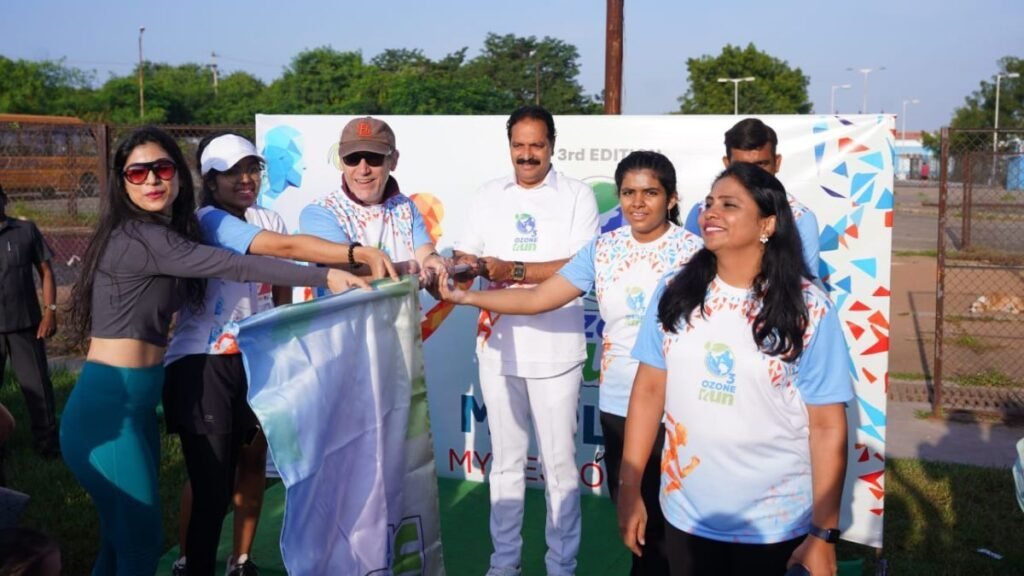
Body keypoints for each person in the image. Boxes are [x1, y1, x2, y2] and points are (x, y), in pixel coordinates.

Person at [60, 126, 366, 576]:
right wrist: (327, 275)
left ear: (179, 177)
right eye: (137, 172)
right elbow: (234, 263)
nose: (152, 181)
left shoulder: (167, 231)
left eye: (162, 169)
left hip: (133, 406)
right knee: (141, 545)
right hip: (108, 410)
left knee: (119, 542)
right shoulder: (141, 237)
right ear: (121, 181)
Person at [440, 151, 701, 574]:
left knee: (682, 530)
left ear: (671, 199)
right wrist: (467, 297)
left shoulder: (697, 255)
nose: (638, 202)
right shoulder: (603, 248)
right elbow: (540, 297)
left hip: (681, 407)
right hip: (623, 405)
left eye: (650, 192)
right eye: (629, 193)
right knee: (639, 529)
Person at [164, 132, 397, 576]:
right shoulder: (208, 220)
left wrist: (287, 328)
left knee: (253, 461)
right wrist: (349, 255)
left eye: (251, 169)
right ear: (210, 182)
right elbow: (282, 251)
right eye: (232, 172)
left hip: (254, 356)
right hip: (205, 361)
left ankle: (242, 560)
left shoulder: (265, 215)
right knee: (210, 477)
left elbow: (284, 275)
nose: (245, 179)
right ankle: (189, 561)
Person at [618, 162, 853, 576]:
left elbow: (827, 426)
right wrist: (631, 486)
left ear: (767, 223)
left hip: (773, 524)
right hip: (685, 514)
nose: (710, 213)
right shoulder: (675, 291)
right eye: (709, 203)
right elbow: (650, 390)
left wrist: (824, 533)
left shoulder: (808, 307)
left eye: (729, 205)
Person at [450, 105, 599, 576]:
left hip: (557, 349)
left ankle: (562, 565)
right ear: (509, 146)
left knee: (558, 468)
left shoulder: (577, 196)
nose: (528, 155)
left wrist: (511, 271)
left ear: (552, 144)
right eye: (519, 146)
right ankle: (505, 563)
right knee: (507, 464)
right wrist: (459, 267)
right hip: (497, 346)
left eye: (537, 145)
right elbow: (466, 256)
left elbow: (580, 266)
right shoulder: (488, 195)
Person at [300, 116, 447, 292]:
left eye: (373, 158)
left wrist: (434, 261)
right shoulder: (319, 213)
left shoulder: (406, 207)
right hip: (343, 320)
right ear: (341, 161)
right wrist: (405, 269)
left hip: (403, 319)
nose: (363, 169)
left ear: (393, 160)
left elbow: (425, 252)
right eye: (352, 158)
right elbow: (347, 267)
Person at [682, 118, 821, 281]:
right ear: (727, 164)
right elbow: (689, 271)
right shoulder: (702, 213)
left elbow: (805, 283)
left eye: (761, 164)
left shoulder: (801, 218)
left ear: (777, 163)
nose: (752, 174)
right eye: (742, 166)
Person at [0, 184, 60, 459]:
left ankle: (48, 444)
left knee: (37, 386)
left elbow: (46, 271)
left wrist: (50, 311)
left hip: (26, 324)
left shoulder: (25, 231)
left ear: (4, 199)